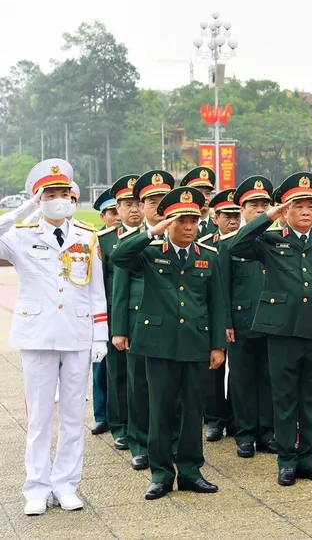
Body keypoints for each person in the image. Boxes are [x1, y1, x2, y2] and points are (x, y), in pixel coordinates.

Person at [2, 160, 108, 516]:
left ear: (74, 197)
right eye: (50, 194)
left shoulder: (86, 236)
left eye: (64, 193)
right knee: (40, 417)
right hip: (37, 334)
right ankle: (36, 487)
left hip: (78, 334)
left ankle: (66, 484)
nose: (58, 199)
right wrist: (24, 208)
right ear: (38, 197)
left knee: (75, 415)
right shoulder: (20, 235)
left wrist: (100, 336)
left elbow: (96, 291)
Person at [230, 172, 312, 487]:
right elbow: (236, 245)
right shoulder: (270, 240)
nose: (306, 211)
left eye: (310, 205)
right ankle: (286, 460)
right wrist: (270, 215)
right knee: (284, 399)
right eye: (298, 206)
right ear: (286, 210)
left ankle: (309, 458)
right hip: (281, 331)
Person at [112, 187, 229, 500]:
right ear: (168, 223)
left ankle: (191, 471)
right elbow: (119, 255)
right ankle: (161, 474)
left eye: (193, 221)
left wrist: (218, 345)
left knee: (193, 411)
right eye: (181, 221)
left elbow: (217, 304)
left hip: (194, 343)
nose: (189, 227)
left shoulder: (209, 257)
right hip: (158, 344)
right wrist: (151, 232)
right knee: (160, 410)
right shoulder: (151, 253)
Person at [111, 170, 175, 471]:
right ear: (142, 204)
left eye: (163, 198)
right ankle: (139, 443)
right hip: (140, 323)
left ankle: (169, 442)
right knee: (139, 386)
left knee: (173, 388)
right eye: (151, 200)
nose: (157, 204)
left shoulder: (183, 234)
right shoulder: (132, 240)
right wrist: (119, 330)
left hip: (176, 324)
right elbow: (120, 289)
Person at [223, 176, 278, 458]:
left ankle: (266, 432)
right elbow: (223, 287)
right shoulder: (229, 242)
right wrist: (226, 322)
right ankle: (244, 433)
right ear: (241, 209)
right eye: (253, 205)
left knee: (269, 376)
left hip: (271, 320)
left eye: (264, 204)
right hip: (242, 322)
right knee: (242, 378)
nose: (259, 210)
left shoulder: (276, 239)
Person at [99, 175, 142, 452]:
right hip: (117, 315)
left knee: (143, 378)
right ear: (118, 208)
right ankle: (121, 427)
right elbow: (101, 286)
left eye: (139, 203)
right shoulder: (104, 241)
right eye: (128, 204)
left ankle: (142, 427)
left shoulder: (158, 234)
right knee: (119, 375)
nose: (135, 209)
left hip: (148, 316)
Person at [198, 190, 241, 442]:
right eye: (227, 215)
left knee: (239, 371)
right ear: (216, 217)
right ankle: (215, 418)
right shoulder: (206, 244)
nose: (233, 221)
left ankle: (235, 417)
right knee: (214, 369)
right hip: (213, 317)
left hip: (241, 316)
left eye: (236, 215)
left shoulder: (246, 241)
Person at [89, 189, 119, 436]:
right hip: (102, 310)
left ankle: (119, 415)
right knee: (100, 365)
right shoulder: (96, 241)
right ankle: (101, 415)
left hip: (120, 309)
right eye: (111, 212)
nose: (117, 215)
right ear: (103, 216)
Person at [180, 167, 217, 238]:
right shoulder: (180, 227)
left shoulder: (218, 226)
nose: (205, 198)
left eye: (208, 193)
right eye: (199, 193)